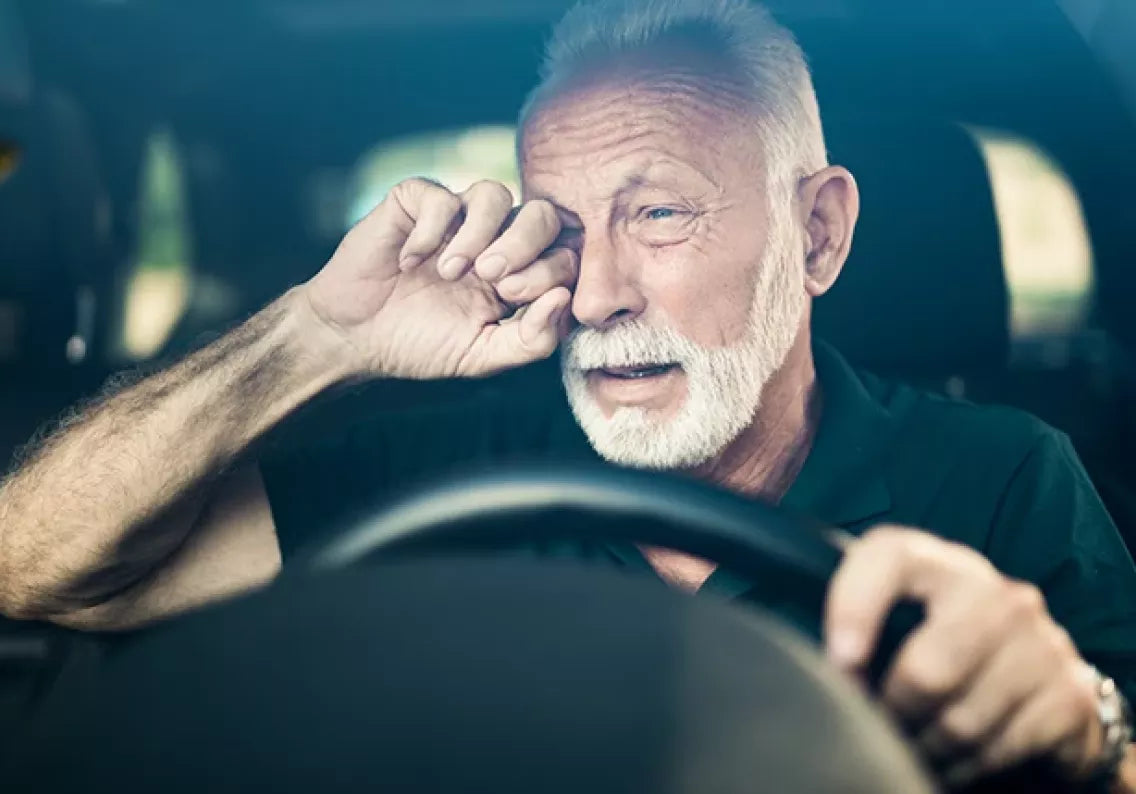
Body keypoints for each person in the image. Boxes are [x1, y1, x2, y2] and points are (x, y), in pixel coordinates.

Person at [0, 0, 1134, 788]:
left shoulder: (1002, 476)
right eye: (563, 229)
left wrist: (1079, 728)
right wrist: (312, 336)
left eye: (655, 213)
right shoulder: (440, 465)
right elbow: (39, 565)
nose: (592, 294)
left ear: (817, 232)